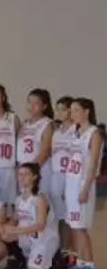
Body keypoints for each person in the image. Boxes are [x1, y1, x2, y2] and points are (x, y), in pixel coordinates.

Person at [60, 98, 102, 269]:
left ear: (87, 111)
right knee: (74, 226)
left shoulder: (94, 133)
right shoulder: (75, 132)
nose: (72, 114)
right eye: (71, 110)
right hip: (71, 182)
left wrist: (85, 188)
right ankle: (80, 263)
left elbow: (93, 165)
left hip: (83, 184)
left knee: (81, 227)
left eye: (76, 110)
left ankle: (90, 265)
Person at [0, 162, 59, 269]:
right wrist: (3, 227)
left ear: (34, 177)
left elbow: (40, 225)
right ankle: (19, 259)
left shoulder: (40, 198)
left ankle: (56, 257)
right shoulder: (19, 199)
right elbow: (14, 220)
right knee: (5, 235)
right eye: (20, 174)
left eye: (26, 174)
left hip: (43, 240)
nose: (21, 177)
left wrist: (16, 230)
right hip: (28, 238)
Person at [17, 89, 54, 196]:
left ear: (44, 106)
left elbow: (45, 151)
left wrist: (31, 171)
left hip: (38, 170)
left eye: (36, 103)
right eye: (29, 102)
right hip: (24, 171)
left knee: (39, 201)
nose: (31, 106)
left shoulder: (47, 124)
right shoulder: (25, 124)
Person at [51, 96, 75, 257]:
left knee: (69, 217)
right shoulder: (57, 132)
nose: (59, 112)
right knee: (58, 216)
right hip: (56, 175)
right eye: (57, 109)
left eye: (62, 109)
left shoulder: (76, 132)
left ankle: (68, 250)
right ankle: (59, 250)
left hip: (70, 176)